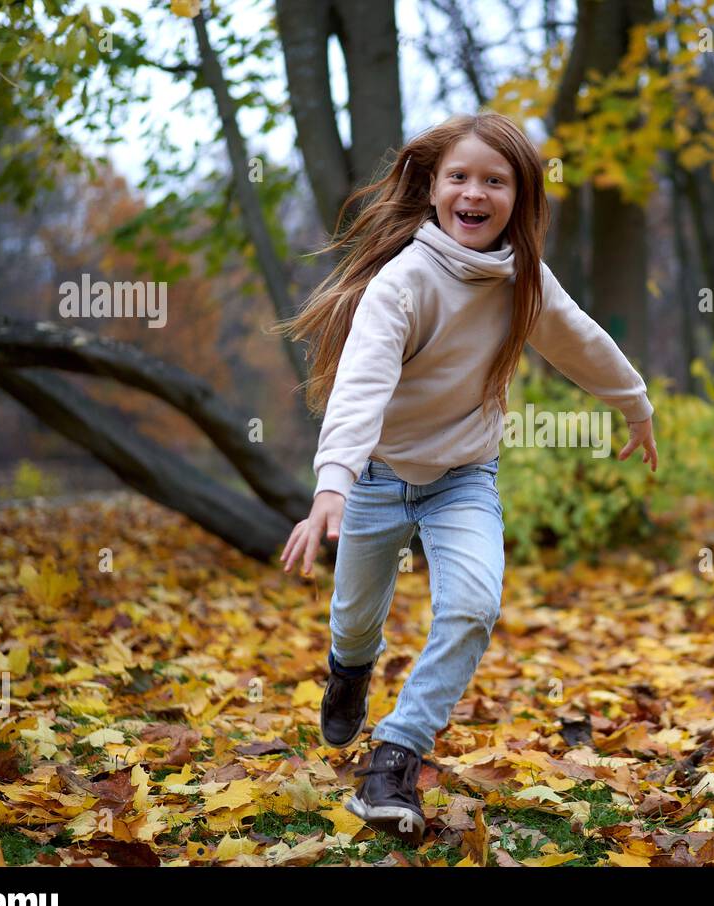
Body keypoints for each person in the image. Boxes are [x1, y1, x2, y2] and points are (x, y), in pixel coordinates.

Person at [275, 111, 659, 842]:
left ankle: (395, 756)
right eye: (459, 177)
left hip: (463, 479)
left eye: (495, 180)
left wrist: (633, 404)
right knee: (356, 621)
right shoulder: (402, 284)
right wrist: (333, 483)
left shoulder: (522, 280)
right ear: (432, 189)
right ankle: (349, 672)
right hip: (379, 475)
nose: (474, 193)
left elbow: (580, 340)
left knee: (475, 604)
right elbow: (362, 383)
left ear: (519, 198)